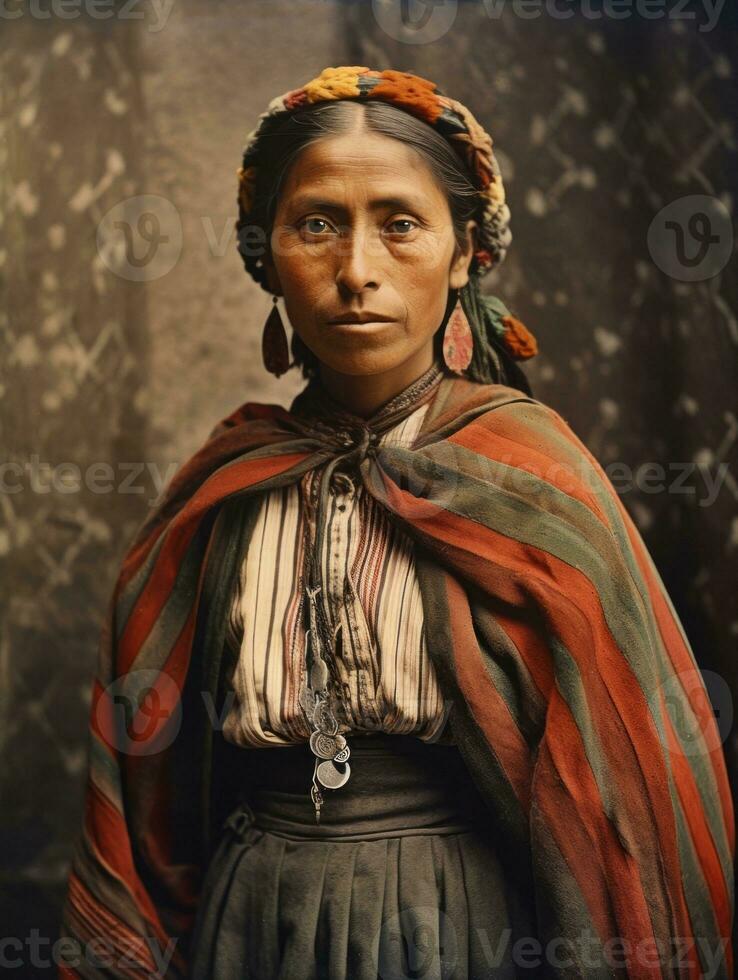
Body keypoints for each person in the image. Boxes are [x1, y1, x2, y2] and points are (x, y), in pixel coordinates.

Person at [57, 66, 734, 979]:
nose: (357, 270)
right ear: (270, 256)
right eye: (317, 225)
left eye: (401, 224)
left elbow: (626, 788)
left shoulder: (532, 475)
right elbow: (148, 792)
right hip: (251, 923)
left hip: (458, 927)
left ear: (463, 257)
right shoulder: (224, 489)